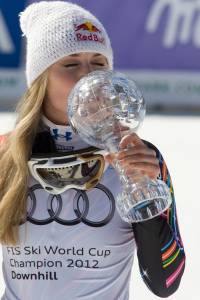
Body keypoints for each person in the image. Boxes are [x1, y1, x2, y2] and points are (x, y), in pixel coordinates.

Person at [0, 1, 185, 299]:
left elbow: (166, 282)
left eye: (99, 63)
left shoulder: (138, 157)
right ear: (40, 80)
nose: (88, 76)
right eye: (70, 64)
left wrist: (147, 196)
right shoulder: (7, 153)